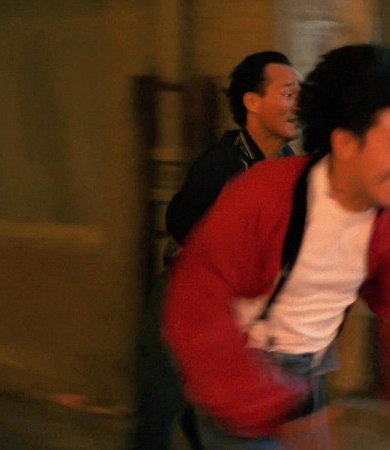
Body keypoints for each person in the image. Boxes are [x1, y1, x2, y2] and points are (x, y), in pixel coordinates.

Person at [163, 44, 390, 449]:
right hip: (239, 371)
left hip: (308, 377)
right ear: (345, 143)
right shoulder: (262, 197)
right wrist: (267, 403)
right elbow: (196, 304)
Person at [131, 50, 302, 450]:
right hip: (186, 297)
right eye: (288, 93)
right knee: (159, 413)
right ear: (252, 102)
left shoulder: (289, 165)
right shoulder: (220, 164)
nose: (299, 104)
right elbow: (179, 221)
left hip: (243, 308)